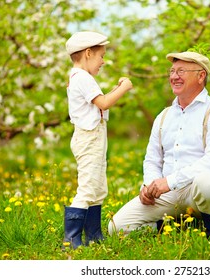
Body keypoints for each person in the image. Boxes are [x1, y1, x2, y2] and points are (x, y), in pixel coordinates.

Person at [108, 51, 210, 238]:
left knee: (206, 181)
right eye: (172, 71)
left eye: (181, 71)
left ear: (201, 76)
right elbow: (152, 159)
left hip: (199, 192)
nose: (174, 77)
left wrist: (169, 182)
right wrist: (150, 186)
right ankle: (169, 226)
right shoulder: (164, 115)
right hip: (170, 194)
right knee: (117, 228)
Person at [63, 31, 133, 248]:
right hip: (89, 139)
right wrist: (124, 87)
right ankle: (72, 238)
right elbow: (103, 103)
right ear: (87, 53)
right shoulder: (82, 77)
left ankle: (94, 235)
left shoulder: (81, 78)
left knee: (98, 188)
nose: (103, 61)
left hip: (94, 138)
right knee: (87, 188)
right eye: (101, 56)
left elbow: (98, 102)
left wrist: (114, 89)